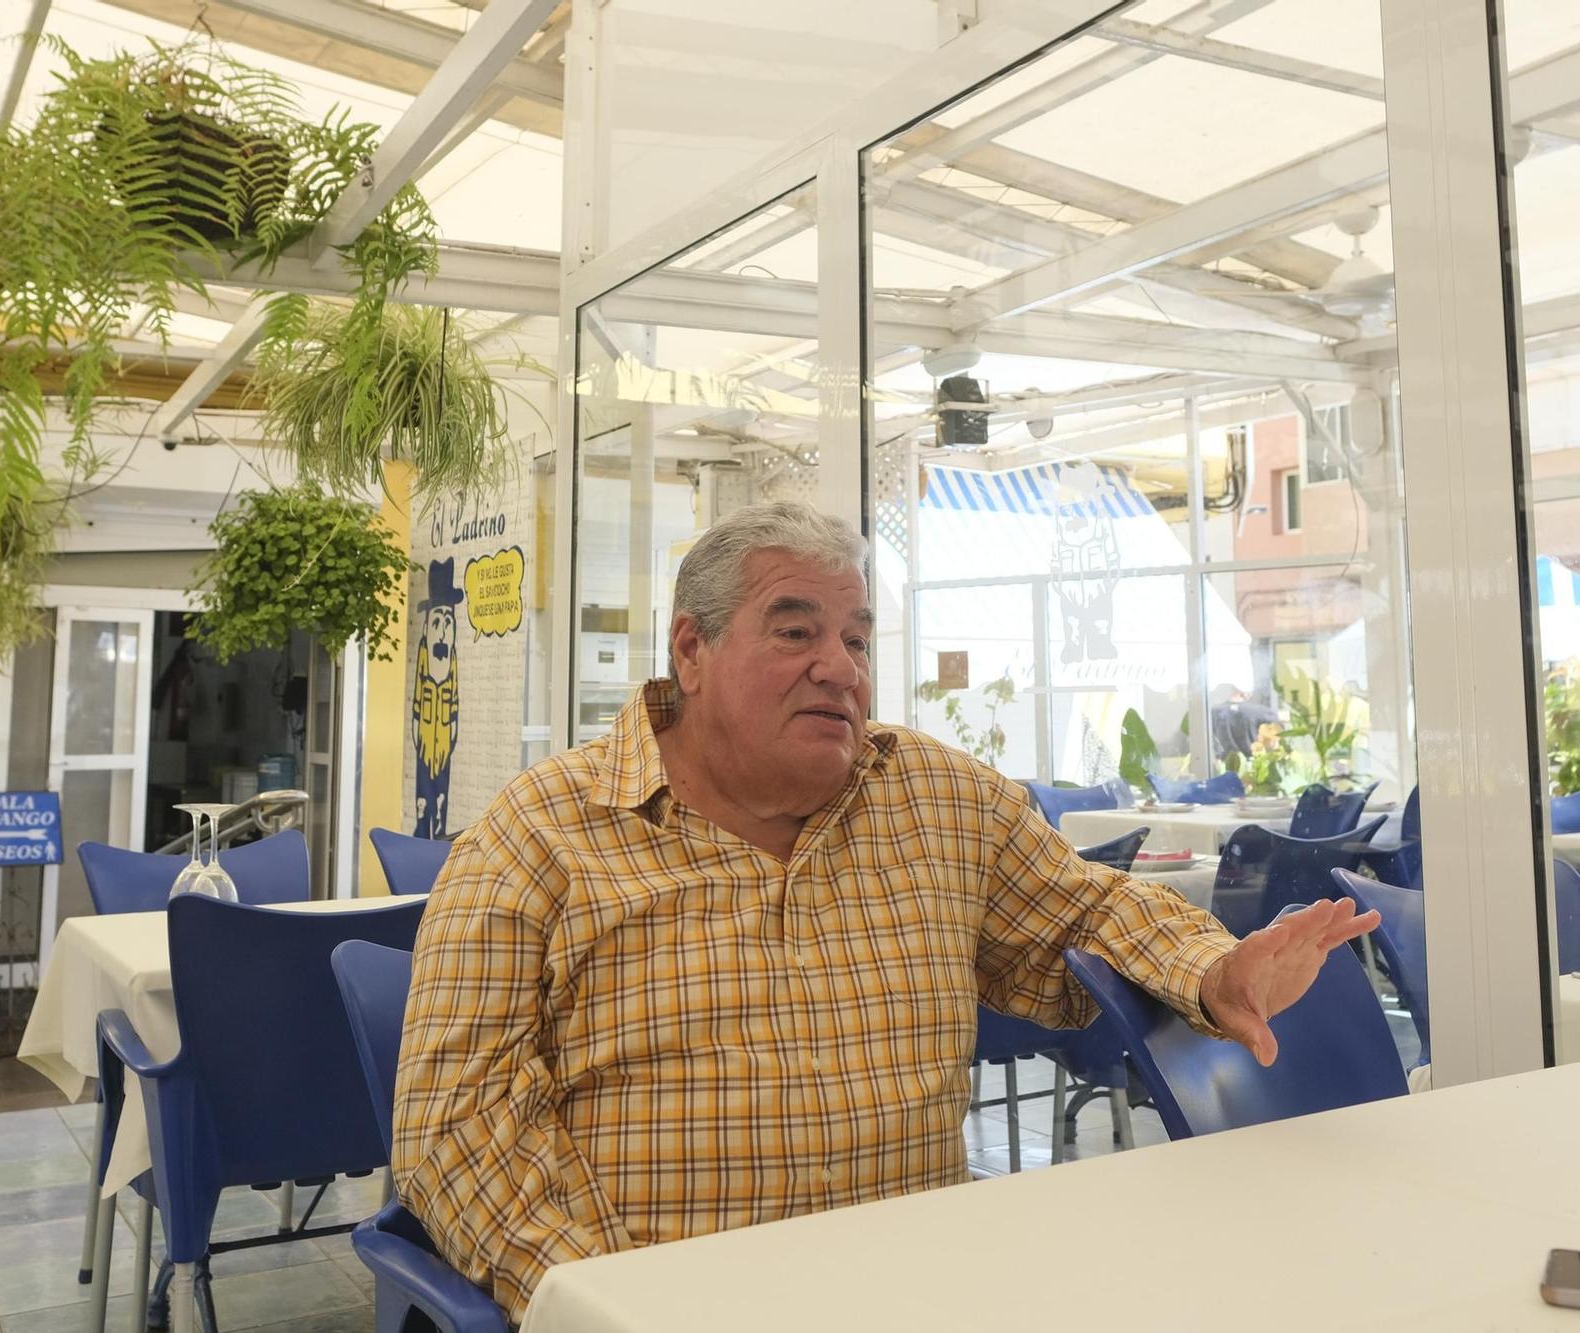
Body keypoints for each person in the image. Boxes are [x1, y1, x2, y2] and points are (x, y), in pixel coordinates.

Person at [392, 502, 1379, 1322]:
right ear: (689, 651)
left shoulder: (935, 801)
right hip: (672, 1294)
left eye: (856, 638)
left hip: (922, 1291)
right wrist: (608, 1300)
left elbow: (1089, 911)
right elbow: (453, 1127)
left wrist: (1215, 972)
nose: (840, 665)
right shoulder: (542, 834)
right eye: (795, 631)